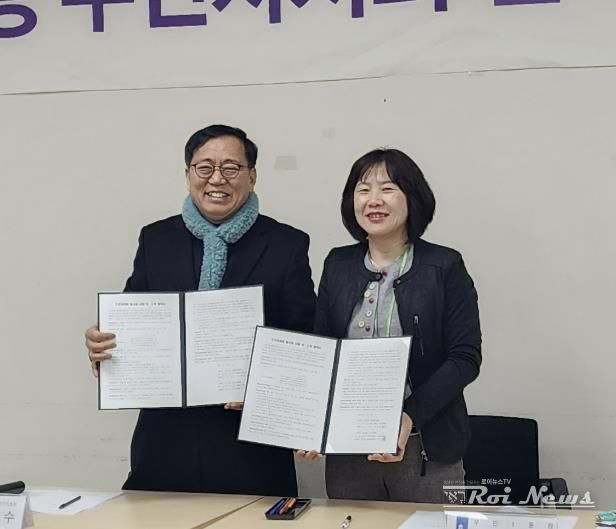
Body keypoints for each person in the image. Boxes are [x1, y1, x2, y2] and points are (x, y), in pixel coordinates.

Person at [85, 124, 316, 495]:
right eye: (204, 167)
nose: (216, 179)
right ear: (188, 174)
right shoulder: (156, 239)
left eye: (231, 168)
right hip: (164, 443)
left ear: (252, 176)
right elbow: (131, 322)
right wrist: (104, 344)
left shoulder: (286, 245)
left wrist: (267, 385)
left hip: (251, 447)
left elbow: (306, 343)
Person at [297, 148, 481, 503]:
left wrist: (410, 416)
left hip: (425, 447)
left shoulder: (444, 266)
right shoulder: (338, 264)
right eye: (363, 189)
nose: (374, 200)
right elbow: (321, 351)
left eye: (388, 188)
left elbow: (465, 358)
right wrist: (310, 419)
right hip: (348, 450)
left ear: (413, 197)